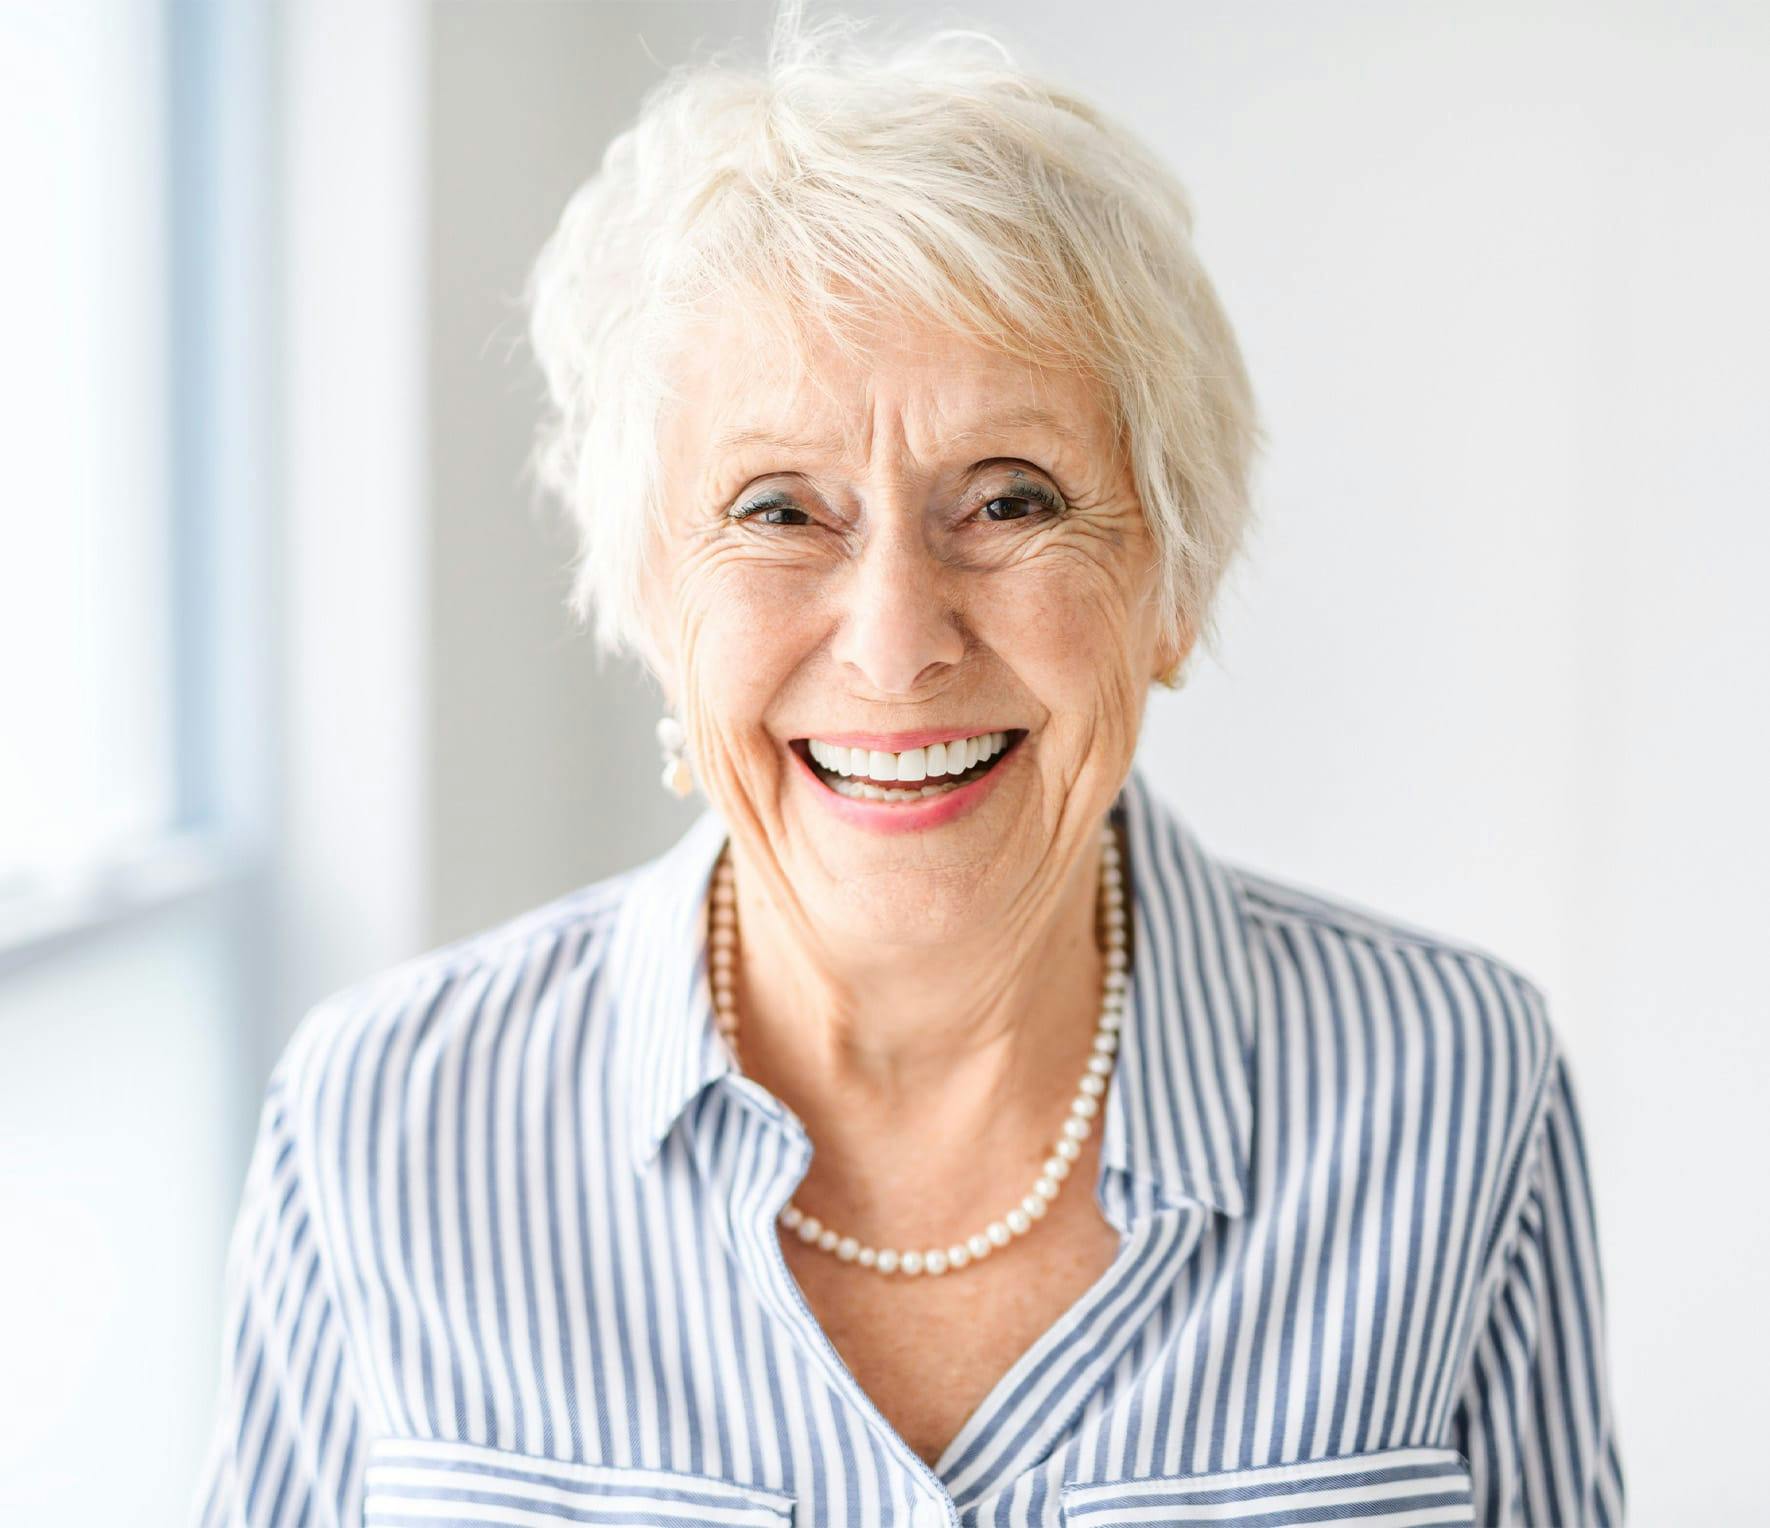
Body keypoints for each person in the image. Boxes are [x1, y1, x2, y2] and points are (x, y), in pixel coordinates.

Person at [194, 6, 1625, 1524]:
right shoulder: (383, 1115)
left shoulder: (1454, 1085)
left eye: (1009, 501)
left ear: (1175, 579)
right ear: (651, 600)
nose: (893, 645)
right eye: (776, 509)